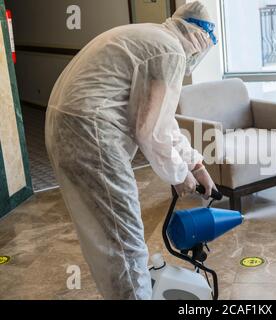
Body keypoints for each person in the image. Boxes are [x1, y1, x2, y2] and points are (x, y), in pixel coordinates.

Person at [45, 1, 217, 300]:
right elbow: (150, 131)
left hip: (68, 128)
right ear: (201, 37)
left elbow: (162, 119)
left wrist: (196, 165)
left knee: (107, 239)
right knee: (126, 243)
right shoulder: (170, 51)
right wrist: (179, 175)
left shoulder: (153, 37)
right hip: (90, 133)